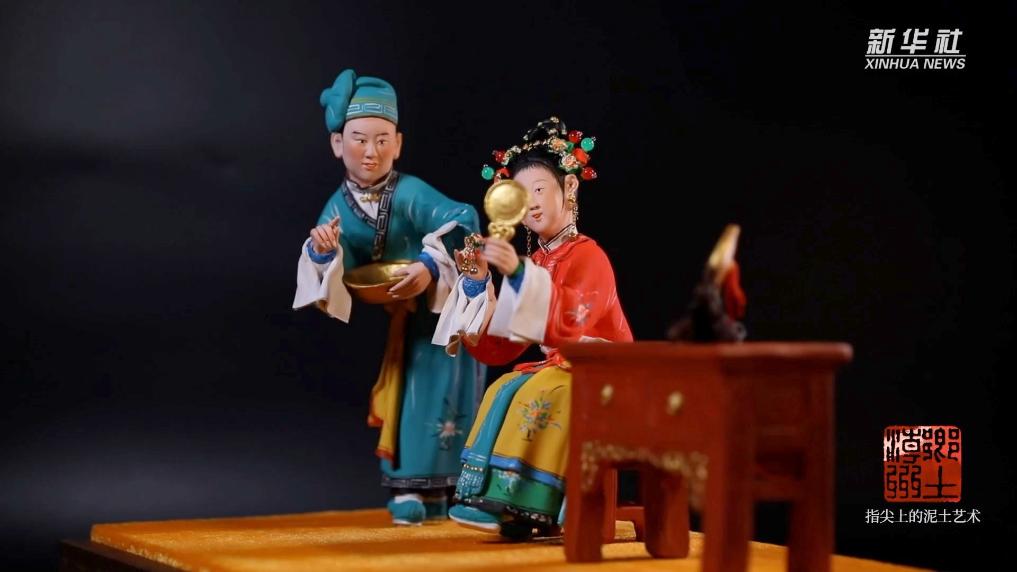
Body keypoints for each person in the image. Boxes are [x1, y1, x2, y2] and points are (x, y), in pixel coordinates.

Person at [293, 69, 485, 526]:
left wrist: (430, 265)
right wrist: (323, 251)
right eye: (359, 139)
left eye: (382, 140)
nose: (371, 152)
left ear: (398, 144)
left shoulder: (410, 192)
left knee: (447, 395)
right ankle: (410, 489)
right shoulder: (338, 206)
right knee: (408, 397)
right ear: (337, 144)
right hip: (405, 318)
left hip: (443, 315)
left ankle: (457, 490)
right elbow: (336, 256)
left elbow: (464, 219)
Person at [432, 117, 633, 538]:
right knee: (503, 385)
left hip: (603, 373)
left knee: (542, 391)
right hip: (563, 369)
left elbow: (572, 320)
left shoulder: (589, 256)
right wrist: (478, 283)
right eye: (521, 196)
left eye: (539, 190)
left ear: (570, 187)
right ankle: (488, 497)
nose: (532, 204)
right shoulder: (538, 261)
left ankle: (525, 504)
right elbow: (502, 344)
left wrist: (520, 276)